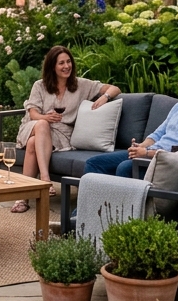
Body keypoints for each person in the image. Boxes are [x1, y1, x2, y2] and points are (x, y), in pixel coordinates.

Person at [10, 46, 121, 212]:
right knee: (41, 126)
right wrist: (45, 118)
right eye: (61, 63)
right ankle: (46, 180)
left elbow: (114, 88)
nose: (66, 66)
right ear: (52, 67)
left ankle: (23, 198)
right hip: (34, 124)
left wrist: (105, 97)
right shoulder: (40, 86)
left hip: (59, 134)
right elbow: (33, 113)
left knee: (33, 143)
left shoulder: (81, 85)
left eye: (68, 62)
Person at [81, 60, 178, 178]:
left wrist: (147, 153)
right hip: (150, 154)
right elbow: (158, 134)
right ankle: (90, 210)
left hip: (165, 164)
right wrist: (141, 147)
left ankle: (119, 211)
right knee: (94, 163)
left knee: (125, 167)